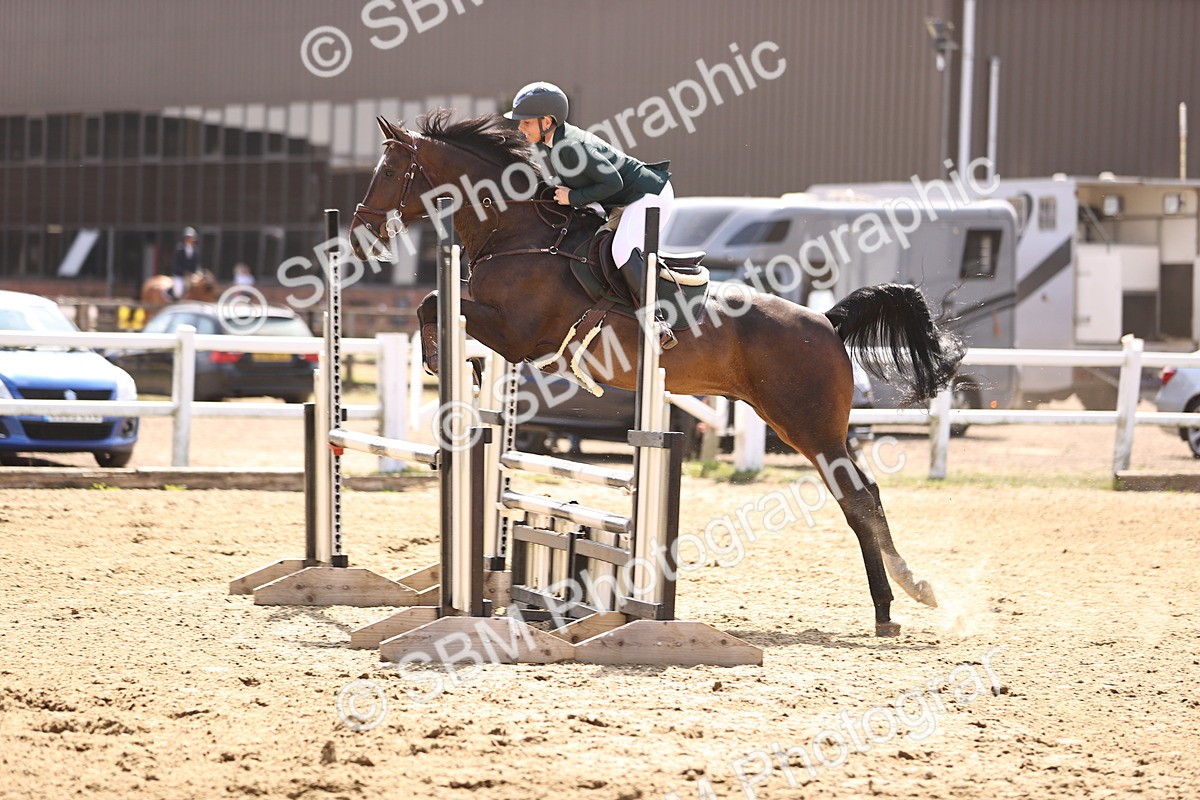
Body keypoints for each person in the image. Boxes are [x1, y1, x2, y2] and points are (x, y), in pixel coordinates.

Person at [505, 82, 678, 350]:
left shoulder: (570, 145)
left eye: (525, 122)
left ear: (547, 121)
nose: (520, 128)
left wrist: (572, 198)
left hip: (648, 196)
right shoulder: (556, 142)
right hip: (626, 200)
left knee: (621, 250)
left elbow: (614, 183)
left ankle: (657, 321)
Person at [171, 227, 202, 300]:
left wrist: (196, 272)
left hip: (191, 275)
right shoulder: (179, 249)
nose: (189, 240)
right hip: (180, 275)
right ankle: (176, 301)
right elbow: (176, 263)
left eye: (191, 238)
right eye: (188, 238)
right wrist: (184, 272)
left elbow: (197, 263)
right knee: (178, 291)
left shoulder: (195, 250)